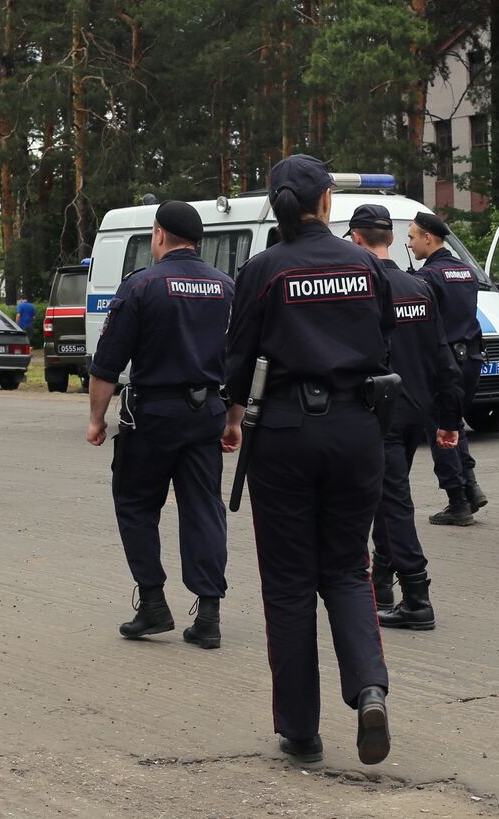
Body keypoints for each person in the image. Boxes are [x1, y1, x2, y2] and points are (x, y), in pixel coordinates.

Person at [223, 154, 394, 766]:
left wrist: (233, 417)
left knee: (291, 584)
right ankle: (370, 690)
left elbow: (237, 356)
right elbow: (386, 342)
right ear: (327, 202)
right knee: (348, 570)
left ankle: (300, 729)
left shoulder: (264, 270)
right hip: (356, 430)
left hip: (287, 434)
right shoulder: (365, 266)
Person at [85, 200, 234, 650]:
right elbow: (241, 362)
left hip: (153, 416)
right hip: (207, 411)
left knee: (135, 504)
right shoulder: (227, 287)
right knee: (204, 508)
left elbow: (108, 363)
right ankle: (208, 615)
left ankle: (153, 604)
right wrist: (233, 420)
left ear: (160, 235)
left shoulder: (141, 286)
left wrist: (96, 418)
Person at [346, 204, 462, 631]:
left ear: (357, 239)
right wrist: (449, 419)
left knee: (392, 504)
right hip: (416, 411)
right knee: (387, 499)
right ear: (390, 239)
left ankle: (417, 594)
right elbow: (443, 359)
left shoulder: (361, 289)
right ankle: (382, 583)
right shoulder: (418, 286)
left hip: (380, 416)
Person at [407, 211, 487, 526]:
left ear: (429, 237)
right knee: (453, 423)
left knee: (439, 431)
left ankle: (457, 501)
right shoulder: (465, 272)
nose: (410, 243)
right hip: (470, 361)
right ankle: (471, 486)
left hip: (443, 364)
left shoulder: (427, 277)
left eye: (412, 237)